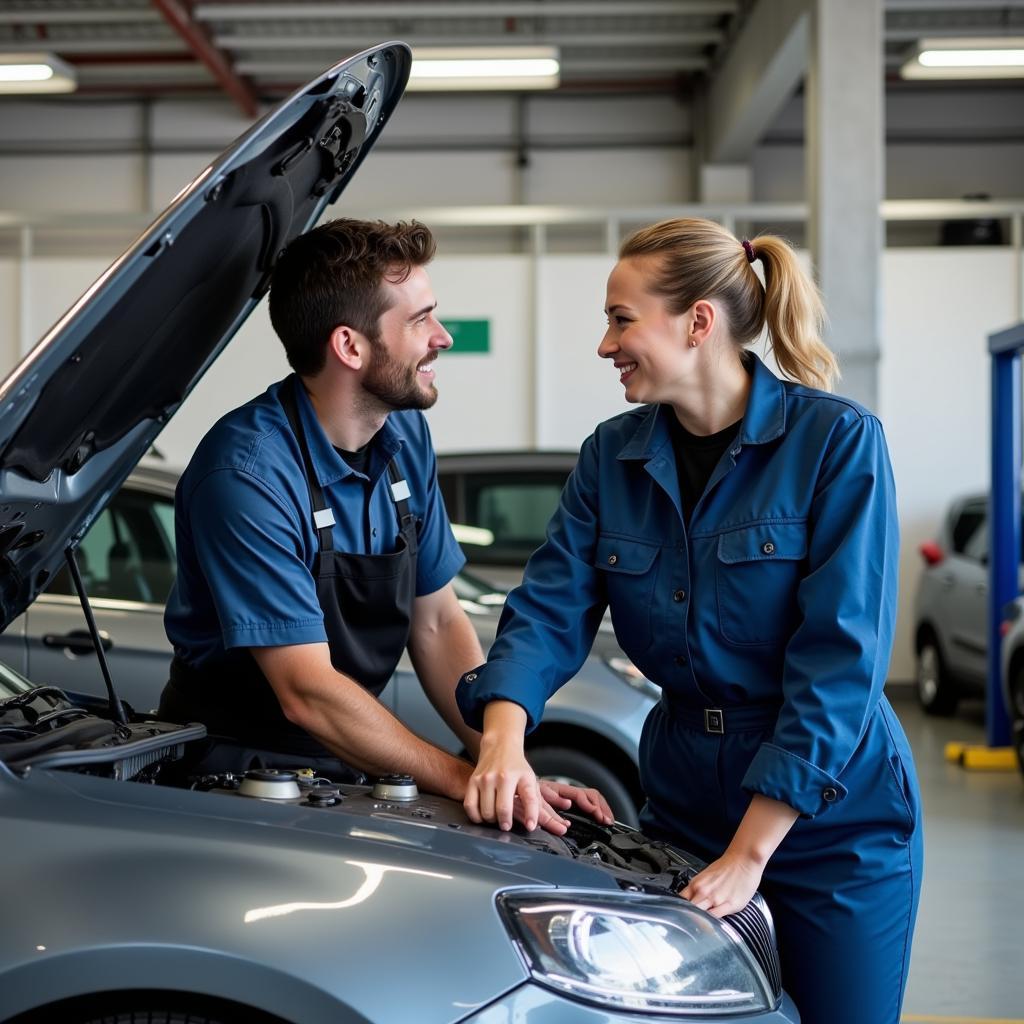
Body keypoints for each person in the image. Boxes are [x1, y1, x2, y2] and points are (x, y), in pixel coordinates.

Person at [456, 218, 922, 1023]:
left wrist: (751, 853)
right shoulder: (612, 456)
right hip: (683, 800)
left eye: (621, 318)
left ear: (698, 322)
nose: (606, 345)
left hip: (828, 819)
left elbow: (839, 663)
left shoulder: (836, 444)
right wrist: (503, 740)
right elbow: (549, 608)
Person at [157, 217, 611, 835]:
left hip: (349, 759)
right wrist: (460, 778)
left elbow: (438, 620)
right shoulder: (245, 475)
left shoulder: (404, 433)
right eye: (420, 320)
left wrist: (503, 764)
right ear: (350, 346)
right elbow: (308, 691)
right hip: (234, 778)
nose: (443, 337)